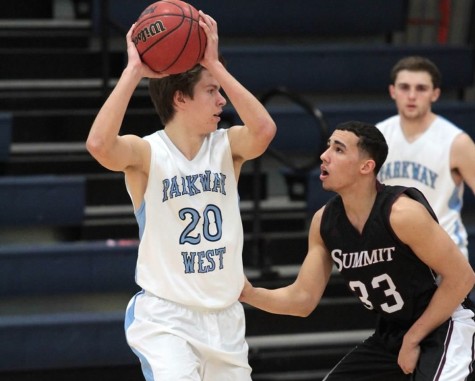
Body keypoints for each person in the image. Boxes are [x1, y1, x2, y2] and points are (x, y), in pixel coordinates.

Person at [86, 10, 276, 381]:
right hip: (167, 318)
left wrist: (214, 65)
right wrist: (133, 72)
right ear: (180, 99)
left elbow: (265, 129)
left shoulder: (227, 147)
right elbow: (98, 144)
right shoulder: (146, 153)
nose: (222, 100)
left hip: (225, 318)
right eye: (211, 91)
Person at [240, 121, 475, 380]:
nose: (324, 155)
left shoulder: (403, 214)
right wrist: (249, 293)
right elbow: (303, 299)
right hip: (392, 330)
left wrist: (412, 339)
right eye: (328, 146)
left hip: (445, 323)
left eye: (338, 150)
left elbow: (462, 277)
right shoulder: (324, 222)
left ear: (366, 166)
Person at [376, 56, 475, 262]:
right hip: (390, 256)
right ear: (392, 91)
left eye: (421, 88)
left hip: (444, 258)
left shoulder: (457, 142)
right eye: (404, 87)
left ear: (435, 94)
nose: (412, 96)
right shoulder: (376, 137)